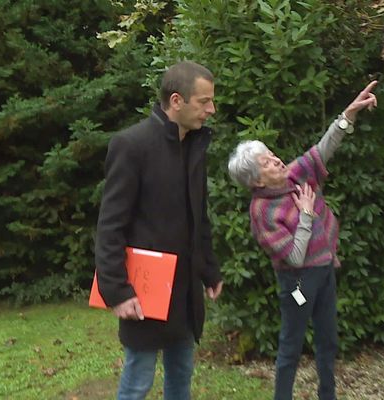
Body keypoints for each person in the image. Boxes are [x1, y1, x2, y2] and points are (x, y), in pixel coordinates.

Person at [227, 81, 378, 400]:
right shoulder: (262, 211)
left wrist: (347, 116)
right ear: (256, 181)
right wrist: (306, 216)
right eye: (267, 162)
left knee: (328, 341)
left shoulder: (294, 175)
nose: (277, 160)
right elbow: (294, 256)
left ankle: (328, 396)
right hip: (297, 281)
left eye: (272, 154)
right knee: (291, 347)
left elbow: (323, 148)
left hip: (323, 270)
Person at [94, 61, 223, 400]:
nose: (212, 110)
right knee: (138, 382)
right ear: (177, 100)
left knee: (181, 378)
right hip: (144, 291)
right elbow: (110, 226)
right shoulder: (131, 145)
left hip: (184, 292)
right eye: (204, 101)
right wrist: (117, 291)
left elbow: (198, 216)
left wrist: (209, 269)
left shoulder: (194, 146)